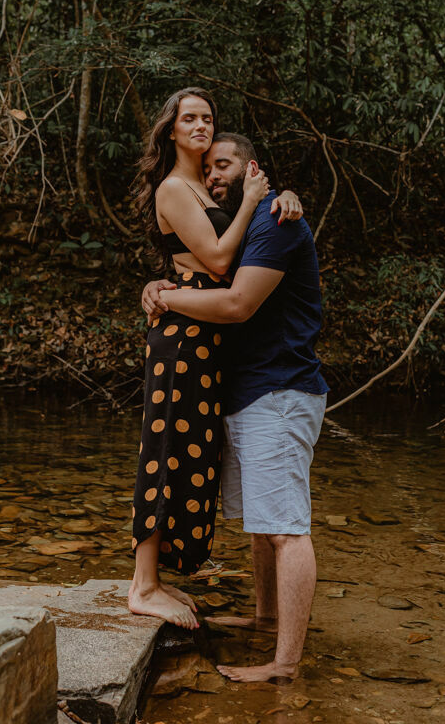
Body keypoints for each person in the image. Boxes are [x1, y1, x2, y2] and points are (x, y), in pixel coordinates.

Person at [142, 131, 328, 682]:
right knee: (262, 523)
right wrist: (161, 282)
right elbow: (209, 271)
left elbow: (237, 304)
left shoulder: (276, 219)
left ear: (252, 170)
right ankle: (266, 617)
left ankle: (284, 664)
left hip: (281, 389)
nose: (213, 175)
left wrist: (166, 298)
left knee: (287, 528)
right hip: (248, 391)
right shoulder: (239, 227)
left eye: (223, 165)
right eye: (207, 169)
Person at [128, 89, 302, 630]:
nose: (200, 125)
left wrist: (283, 194)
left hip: (206, 335)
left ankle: (160, 576)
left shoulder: (204, 185)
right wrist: (252, 200)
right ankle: (142, 585)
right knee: (164, 451)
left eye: (207, 117)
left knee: (192, 456)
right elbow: (221, 260)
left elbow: (241, 236)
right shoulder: (174, 187)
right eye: (189, 118)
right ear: (172, 130)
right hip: (183, 335)